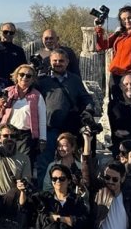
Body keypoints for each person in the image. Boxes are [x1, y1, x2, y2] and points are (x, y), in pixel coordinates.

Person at [35, 49, 94, 178]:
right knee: (44, 163)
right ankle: (44, 193)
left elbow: (86, 98)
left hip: (67, 128)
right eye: (55, 61)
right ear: (50, 62)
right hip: (48, 128)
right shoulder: (42, 80)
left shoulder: (75, 80)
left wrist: (88, 111)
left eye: (61, 61)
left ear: (67, 62)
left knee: (68, 163)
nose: (58, 63)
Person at [81, 129, 131, 229]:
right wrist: (87, 142)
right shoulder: (99, 191)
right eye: (107, 178)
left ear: (122, 178)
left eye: (114, 179)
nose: (110, 181)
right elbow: (87, 170)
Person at [94, 5, 131, 99]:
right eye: (123, 19)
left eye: (130, 18)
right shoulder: (119, 34)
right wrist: (98, 28)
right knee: (115, 106)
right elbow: (101, 46)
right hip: (115, 76)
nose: (127, 21)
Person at [0, 64, 46, 173]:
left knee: (24, 161)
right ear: (16, 76)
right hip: (8, 133)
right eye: (22, 74)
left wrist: (43, 139)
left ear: (32, 79)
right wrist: (0, 106)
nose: (24, 78)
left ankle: (24, 184)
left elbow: (42, 119)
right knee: (6, 160)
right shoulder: (7, 92)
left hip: (25, 136)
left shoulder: (37, 96)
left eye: (28, 76)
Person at [19, 163, 89, 229]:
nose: (58, 181)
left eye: (62, 178)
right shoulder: (45, 197)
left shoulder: (76, 200)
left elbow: (83, 222)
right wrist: (22, 191)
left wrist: (58, 218)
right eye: (54, 179)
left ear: (69, 181)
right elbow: (24, 205)